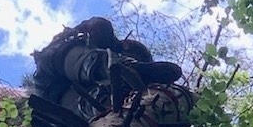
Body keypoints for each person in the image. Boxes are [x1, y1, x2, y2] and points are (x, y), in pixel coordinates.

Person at [32, 17, 183, 121]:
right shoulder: (102, 38)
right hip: (56, 64)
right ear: (125, 46)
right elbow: (97, 24)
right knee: (94, 63)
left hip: (55, 99)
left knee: (98, 103)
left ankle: (106, 102)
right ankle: (125, 68)